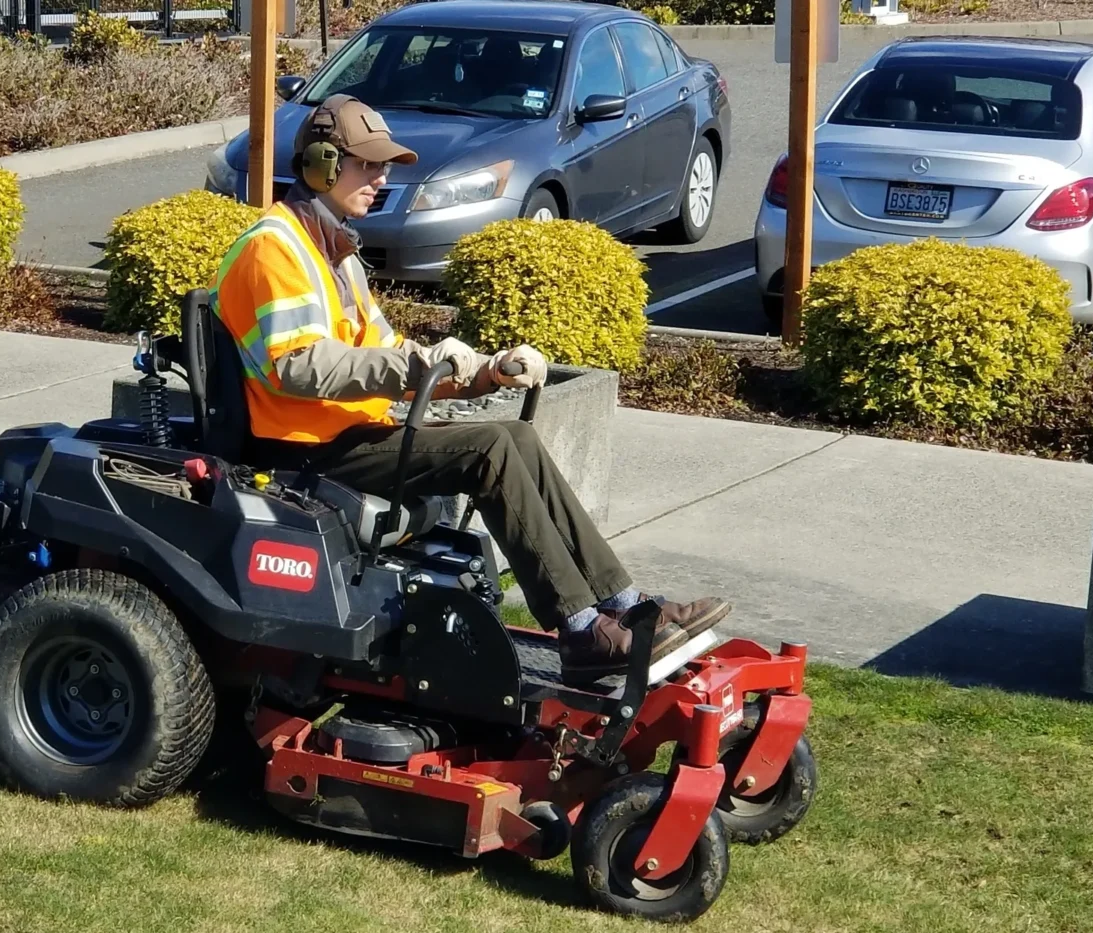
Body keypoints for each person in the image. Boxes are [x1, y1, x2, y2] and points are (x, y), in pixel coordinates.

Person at [210, 94, 729, 678]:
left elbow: (385, 350)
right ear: (321, 165)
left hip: (348, 431)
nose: (381, 178)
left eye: (385, 166)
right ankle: (580, 632)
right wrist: (418, 366)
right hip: (305, 447)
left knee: (518, 437)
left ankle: (627, 608)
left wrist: (484, 369)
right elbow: (298, 367)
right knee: (490, 450)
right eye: (367, 165)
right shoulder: (273, 248)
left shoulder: (333, 253)